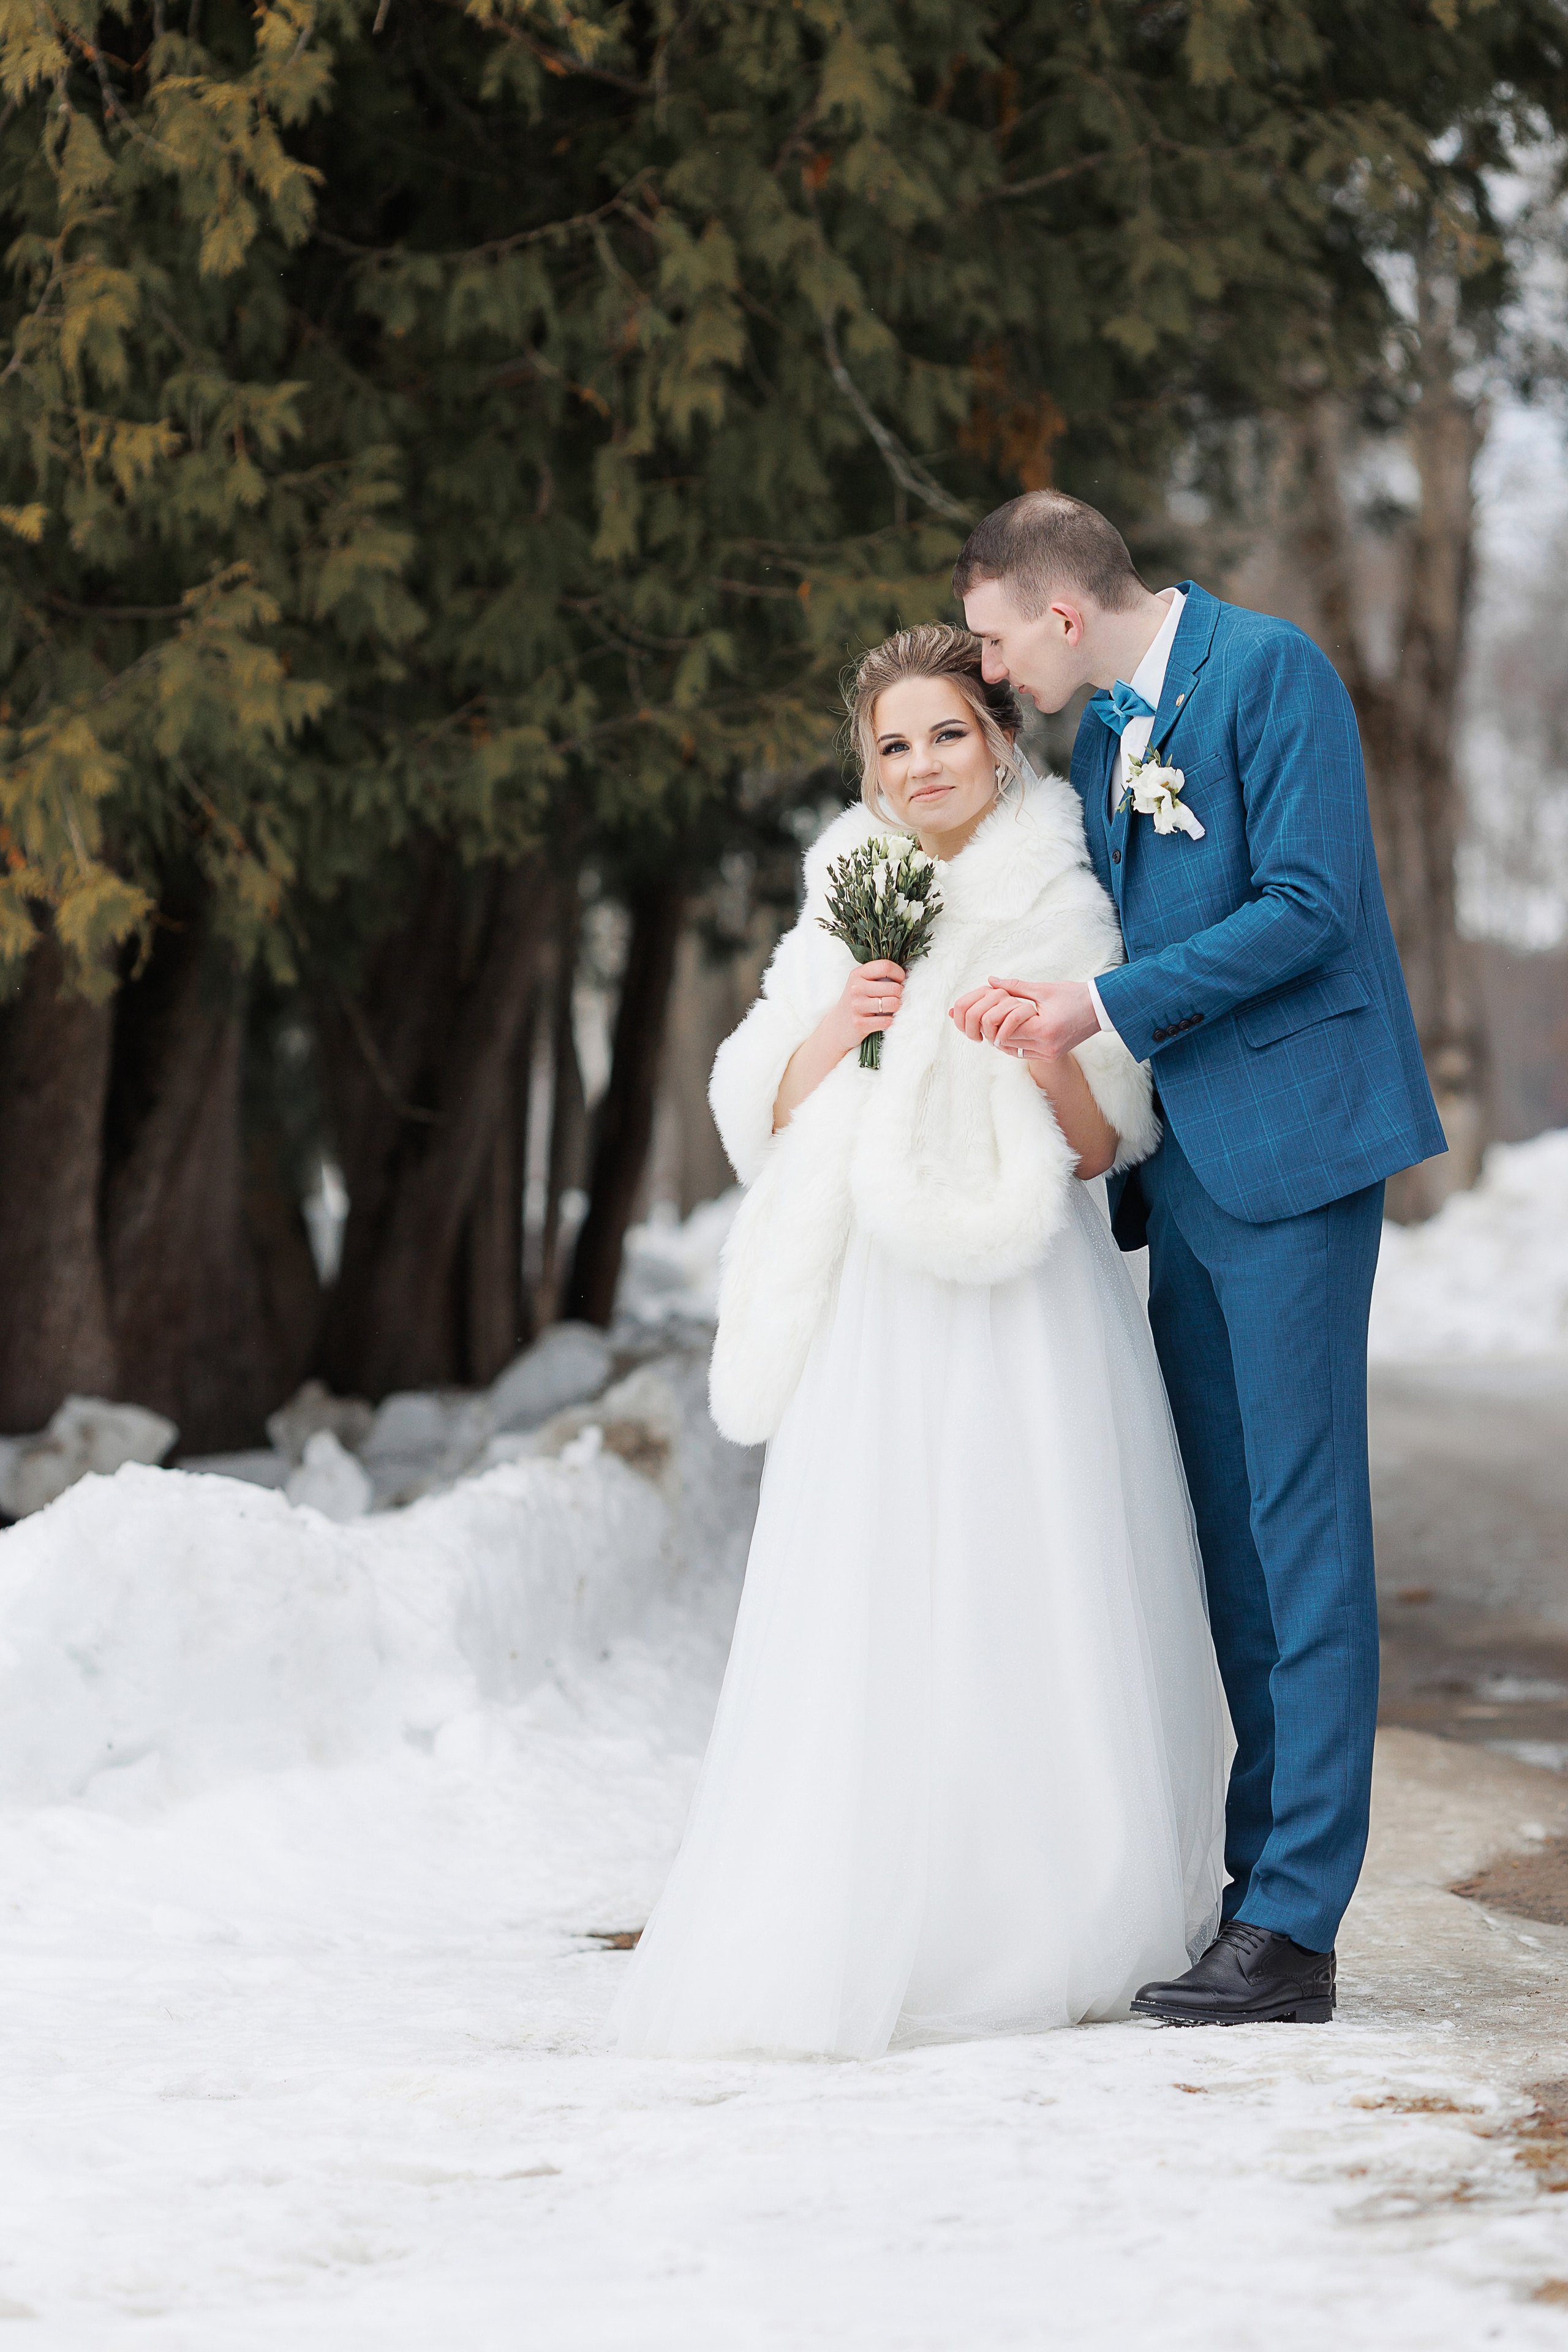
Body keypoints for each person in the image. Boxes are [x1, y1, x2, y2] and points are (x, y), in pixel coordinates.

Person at [612, 624, 1230, 2062]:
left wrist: (1035, 1055)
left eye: (944, 733)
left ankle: (1036, 1902)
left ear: (998, 736)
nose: (920, 765)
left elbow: (1098, 1143)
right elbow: (754, 1096)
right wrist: (841, 1023)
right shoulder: (844, 883)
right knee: (869, 1573)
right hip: (871, 1289)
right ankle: (859, 1885)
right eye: (892, 745)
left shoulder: (1061, 889)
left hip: (1017, 1282)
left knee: (1027, 1564)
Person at [954, 491, 1446, 2026]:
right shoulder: (1105, 736)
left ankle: (1297, 1919)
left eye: (987, 639)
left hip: (1295, 1151)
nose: (985, 675)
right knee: (1226, 1544)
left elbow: (1306, 910)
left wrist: (1099, 1014)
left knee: (1303, 1537)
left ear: (1057, 611)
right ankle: (1254, 1896)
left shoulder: (1271, 671)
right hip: (1189, 1180)